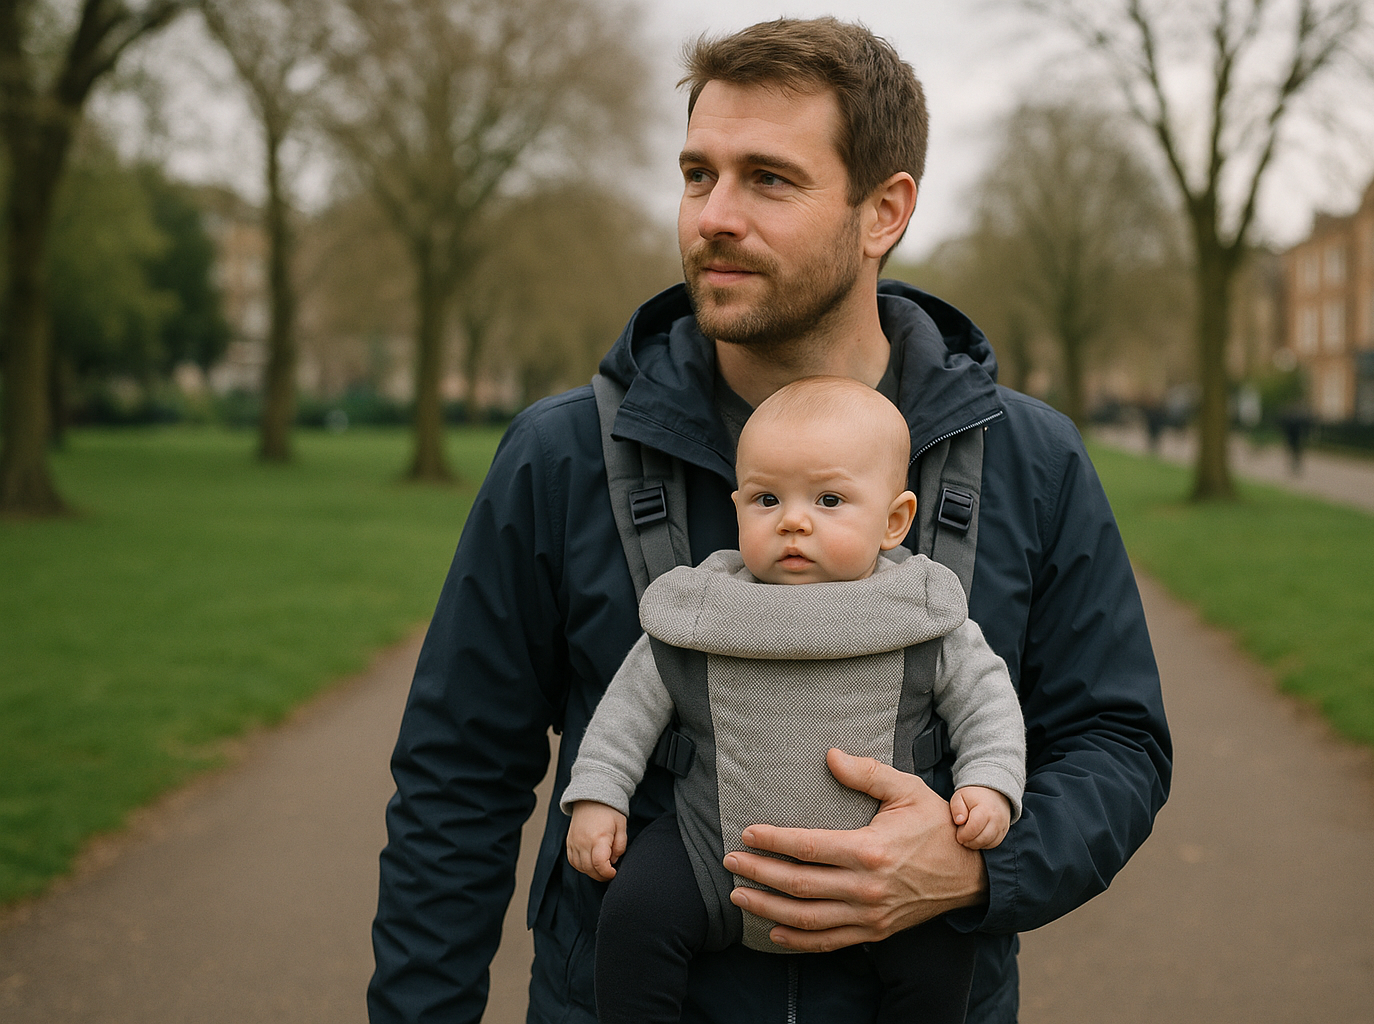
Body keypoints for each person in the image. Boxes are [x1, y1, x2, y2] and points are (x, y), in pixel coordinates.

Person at [369, 17, 1172, 1024]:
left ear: (884, 212)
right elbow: (456, 780)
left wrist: (976, 868)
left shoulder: (1032, 459)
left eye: (769, 180)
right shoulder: (561, 454)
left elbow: (1115, 740)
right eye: (698, 175)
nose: (714, 216)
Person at [561, 377, 1028, 1024]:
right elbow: (628, 708)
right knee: (635, 914)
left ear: (894, 521)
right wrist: (599, 795)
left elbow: (987, 702)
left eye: (829, 499)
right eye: (766, 499)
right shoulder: (703, 608)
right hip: (711, 850)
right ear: (737, 509)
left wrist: (990, 782)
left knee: (941, 948)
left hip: (888, 869)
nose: (793, 520)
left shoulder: (918, 610)